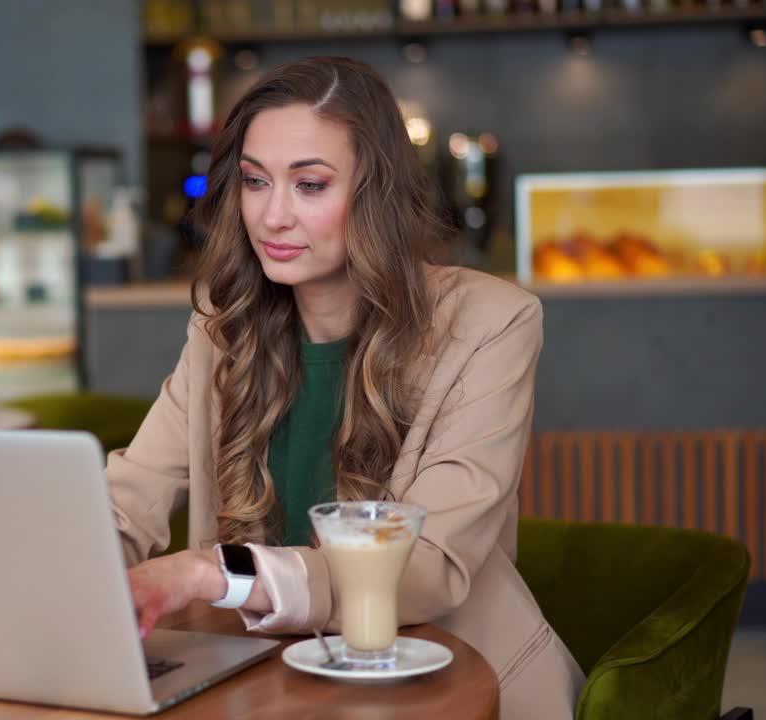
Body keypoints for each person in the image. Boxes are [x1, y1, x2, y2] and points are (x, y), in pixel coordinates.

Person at [106, 56, 583, 718]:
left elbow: (430, 565)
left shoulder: (491, 324)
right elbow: (131, 498)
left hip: (447, 688)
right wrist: (55, 553)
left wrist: (212, 574)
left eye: (309, 185)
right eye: (254, 182)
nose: (272, 217)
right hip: (267, 686)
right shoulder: (222, 329)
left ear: (373, 192)